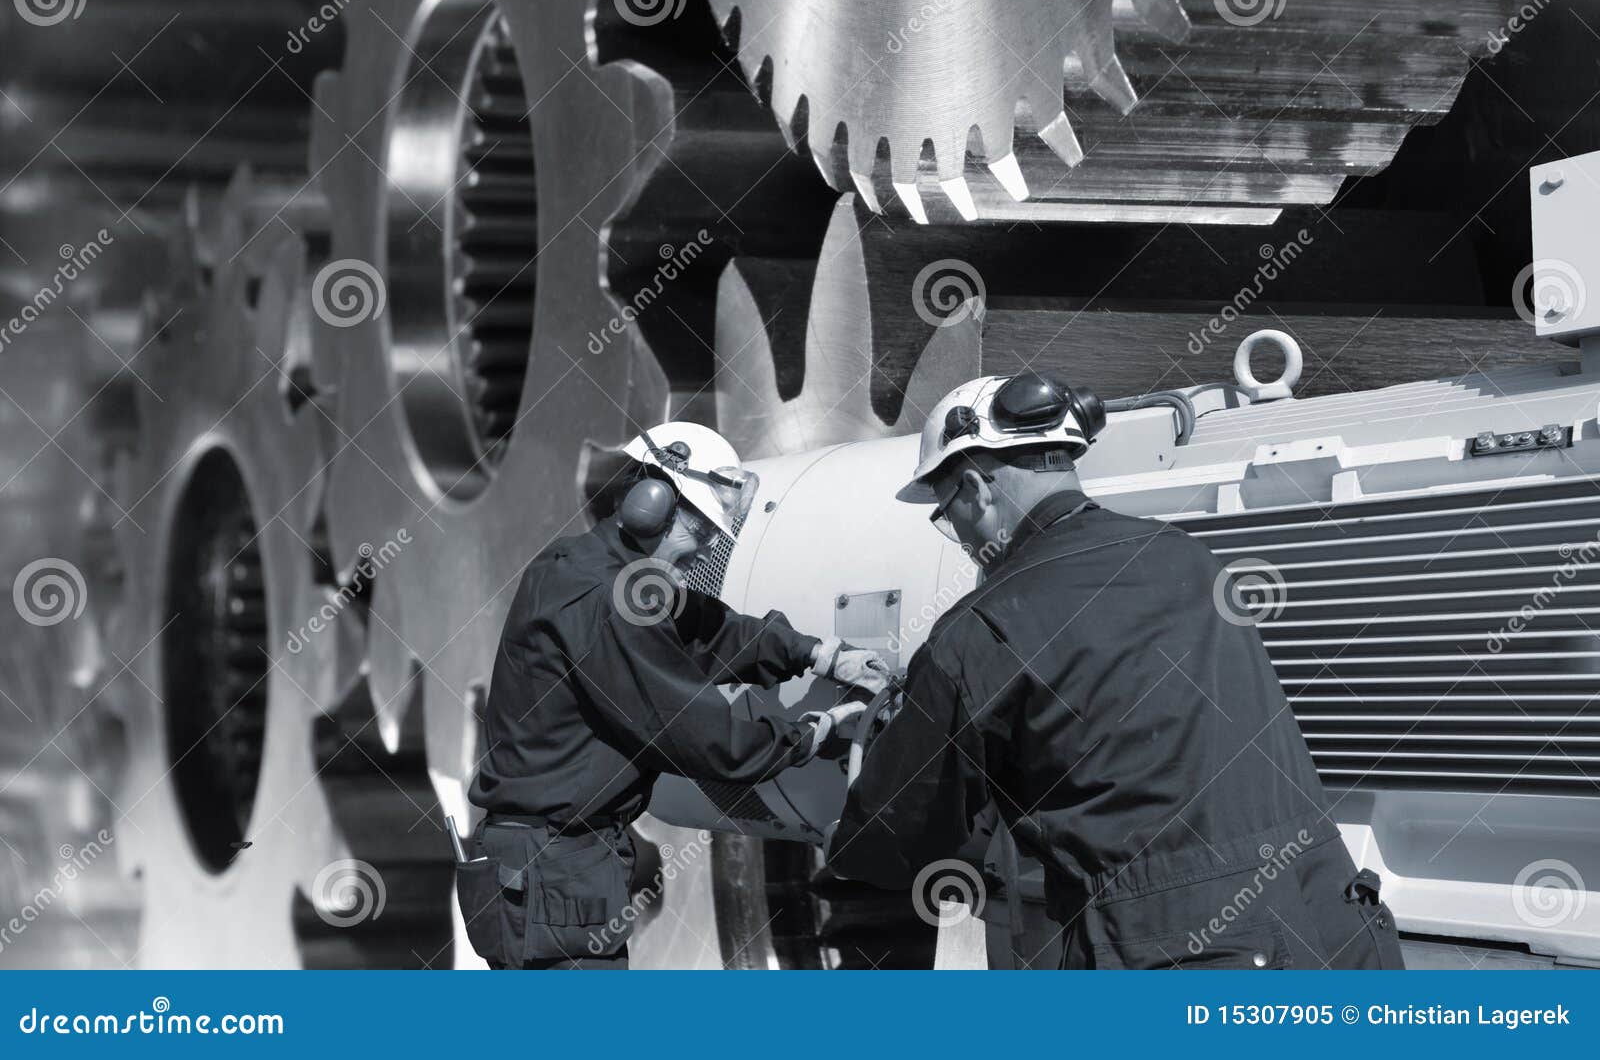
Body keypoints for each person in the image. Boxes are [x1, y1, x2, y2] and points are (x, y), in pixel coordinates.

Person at [826, 371, 1405, 970]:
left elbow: (896, 839)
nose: (963, 539)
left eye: (947, 514)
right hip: (1338, 924)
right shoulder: (1189, 557)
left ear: (975, 488)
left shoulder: (980, 631)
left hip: (1175, 952)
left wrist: (859, 797)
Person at [460, 421, 890, 969]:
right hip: (555, 872)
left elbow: (706, 630)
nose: (704, 550)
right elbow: (701, 737)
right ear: (651, 502)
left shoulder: (581, 565)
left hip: (551, 867)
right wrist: (814, 734)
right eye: (700, 530)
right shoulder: (607, 599)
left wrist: (817, 653)